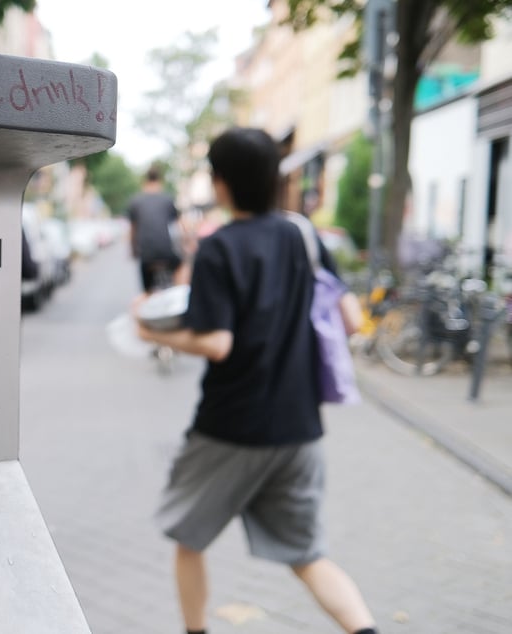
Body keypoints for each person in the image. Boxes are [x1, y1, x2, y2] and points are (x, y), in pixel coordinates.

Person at [135, 127, 378, 634]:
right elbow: (351, 320)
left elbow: (216, 343)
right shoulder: (302, 234)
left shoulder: (220, 248)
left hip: (231, 428)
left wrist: (149, 331)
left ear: (220, 183)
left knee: (189, 539)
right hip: (300, 427)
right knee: (309, 556)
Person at [127, 165, 183, 293]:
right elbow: (179, 225)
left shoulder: (135, 201)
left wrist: (133, 250)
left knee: (147, 291)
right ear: (160, 181)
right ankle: (181, 295)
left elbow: (132, 230)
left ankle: (147, 297)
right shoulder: (167, 199)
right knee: (182, 268)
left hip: (146, 255)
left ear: (145, 181)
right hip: (167, 252)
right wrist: (186, 245)